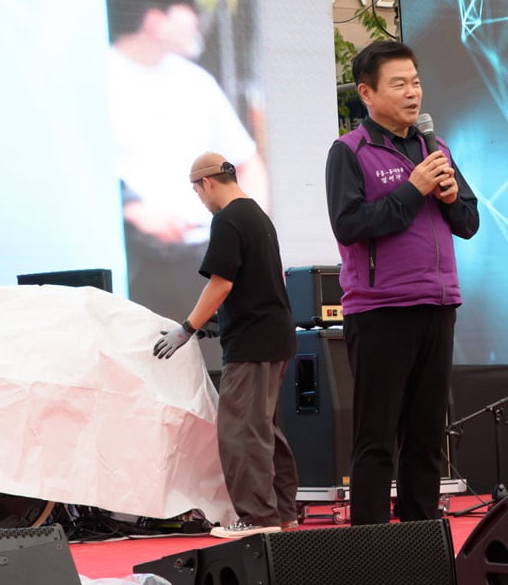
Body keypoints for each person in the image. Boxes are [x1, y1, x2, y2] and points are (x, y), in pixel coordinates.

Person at [325, 40, 478, 525]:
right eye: (399, 84)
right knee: (376, 439)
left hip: (438, 304)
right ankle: (372, 554)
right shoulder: (350, 151)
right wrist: (413, 190)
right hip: (380, 311)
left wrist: (452, 197)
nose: (413, 93)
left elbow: (469, 222)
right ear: (367, 93)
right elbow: (349, 225)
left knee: (427, 438)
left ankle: (420, 549)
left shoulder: (436, 147)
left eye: (415, 81)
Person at [105, 0, 268, 328]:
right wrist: (132, 211)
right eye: (187, 9)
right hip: (136, 262)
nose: (196, 19)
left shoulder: (195, 81)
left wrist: (253, 229)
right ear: (154, 20)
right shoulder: (100, 75)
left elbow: (248, 162)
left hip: (205, 259)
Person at [153, 152, 297, 539]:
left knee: (240, 431)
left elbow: (221, 282)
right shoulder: (258, 215)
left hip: (252, 343)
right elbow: (257, 280)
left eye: (197, 191)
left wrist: (187, 328)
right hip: (274, 334)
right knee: (265, 429)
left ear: (208, 183)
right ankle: (283, 513)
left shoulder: (229, 218)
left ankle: (257, 518)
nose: (200, 199)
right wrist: (219, 320)